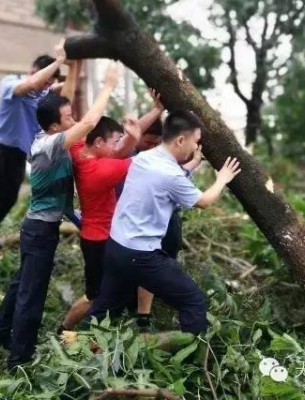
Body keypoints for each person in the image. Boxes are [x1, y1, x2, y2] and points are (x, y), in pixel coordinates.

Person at [0, 62, 122, 369]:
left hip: (40, 229)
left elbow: (60, 202)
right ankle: (20, 358)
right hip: (38, 232)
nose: (73, 119)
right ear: (54, 127)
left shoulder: (55, 139)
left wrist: (71, 65)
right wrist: (109, 86)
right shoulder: (48, 145)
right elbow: (88, 124)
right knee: (31, 295)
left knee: (22, 284)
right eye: (67, 118)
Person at [87, 110, 241, 335]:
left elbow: (163, 180)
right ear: (180, 140)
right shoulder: (170, 174)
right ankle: (193, 363)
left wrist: (192, 165)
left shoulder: (144, 158)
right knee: (193, 301)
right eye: (195, 142)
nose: (195, 147)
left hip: (116, 245)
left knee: (103, 308)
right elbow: (204, 201)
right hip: (140, 255)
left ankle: (79, 345)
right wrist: (222, 179)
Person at [58, 98, 165, 333]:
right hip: (101, 241)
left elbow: (122, 145)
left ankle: (65, 332)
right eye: (114, 141)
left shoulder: (79, 151)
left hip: (93, 236)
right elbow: (145, 157)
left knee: (96, 296)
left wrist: (156, 110)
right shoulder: (101, 170)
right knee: (99, 300)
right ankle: (75, 337)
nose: (118, 146)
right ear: (98, 142)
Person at [0, 41, 67, 251]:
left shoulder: (43, 95)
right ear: (32, 71)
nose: (45, 86)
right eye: (44, 80)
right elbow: (32, 85)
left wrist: (74, 65)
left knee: (11, 196)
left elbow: (63, 88)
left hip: (18, 153)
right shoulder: (11, 83)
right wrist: (59, 60)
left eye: (48, 83)